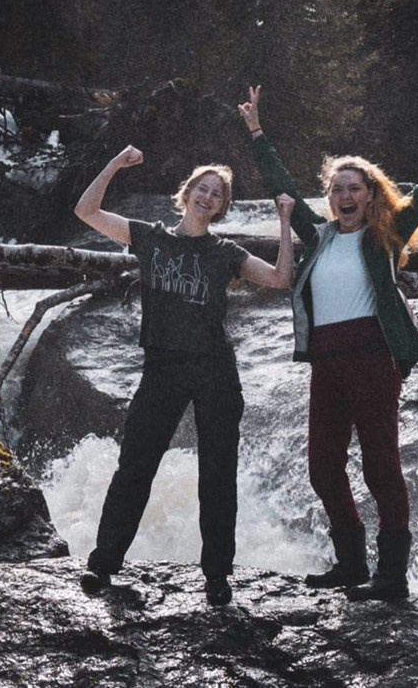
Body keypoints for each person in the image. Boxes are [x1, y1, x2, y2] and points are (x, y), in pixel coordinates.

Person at [238, 85, 418, 602]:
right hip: (326, 363)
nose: (345, 197)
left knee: (380, 466)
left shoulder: (386, 233)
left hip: (373, 358)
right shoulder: (320, 236)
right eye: (337, 190)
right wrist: (257, 132)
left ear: (370, 195)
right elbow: (282, 185)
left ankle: (391, 574)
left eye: (354, 188)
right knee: (323, 468)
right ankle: (351, 563)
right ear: (329, 198)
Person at [73, 144, 296, 607]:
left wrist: (285, 221)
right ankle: (102, 564)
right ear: (187, 193)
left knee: (217, 474)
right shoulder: (150, 239)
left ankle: (216, 577)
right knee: (135, 465)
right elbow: (86, 210)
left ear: (221, 207)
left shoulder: (224, 252)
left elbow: (279, 278)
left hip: (214, 369)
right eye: (202, 188)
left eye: (217, 194)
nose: (208, 197)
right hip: (162, 368)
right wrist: (115, 162)